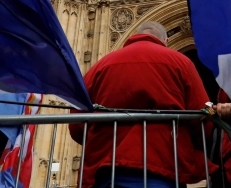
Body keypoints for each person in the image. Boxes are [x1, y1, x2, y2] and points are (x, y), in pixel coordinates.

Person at [70, 21, 211, 188]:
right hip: (163, 165)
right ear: (166, 41)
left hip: (106, 169)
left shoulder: (100, 65)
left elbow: (77, 124)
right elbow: (202, 116)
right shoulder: (181, 62)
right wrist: (191, 146)